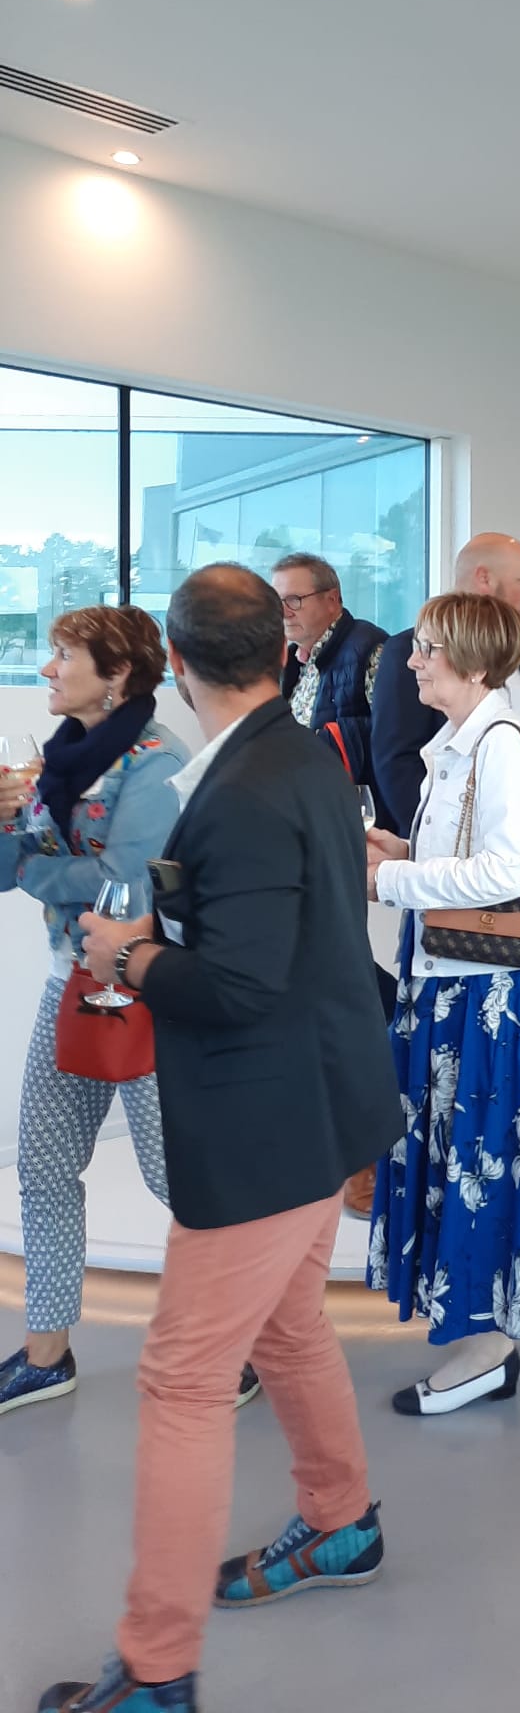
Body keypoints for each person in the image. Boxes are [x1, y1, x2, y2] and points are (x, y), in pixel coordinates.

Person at [44, 565, 402, 1713]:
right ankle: (341, 1522)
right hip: (323, 1100)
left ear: (180, 662)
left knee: (184, 1377)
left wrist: (128, 954)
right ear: (281, 648)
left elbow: (239, 987)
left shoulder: (245, 785)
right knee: (289, 1327)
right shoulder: (299, 752)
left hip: (268, 1122)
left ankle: (157, 1669)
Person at [364, 592, 520, 1414]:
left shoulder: (498, 743)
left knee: (480, 1157)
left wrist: (391, 877)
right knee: (468, 1155)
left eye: (426, 649)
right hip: (460, 983)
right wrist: (402, 849)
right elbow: (477, 855)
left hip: (484, 993)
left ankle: (489, 1347)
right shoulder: (472, 740)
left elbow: (503, 872)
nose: (413, 661)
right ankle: (481, 1334)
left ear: (466, 659)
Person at [0, 609, 194, 1419]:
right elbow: (8, 868)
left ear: (116, 675)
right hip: (69, 983)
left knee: (177, 1179)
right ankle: (47, 1354)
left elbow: (129, 884)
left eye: (63, 655)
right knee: (43, 1167)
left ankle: (241, 1344)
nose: (47, 669)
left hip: (142, 989)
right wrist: (5, 821)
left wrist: (35, 863)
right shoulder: (55, 761)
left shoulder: (157, 761)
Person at [370, 531, 520, 836]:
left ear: (478, 669)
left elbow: (503, 860)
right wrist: (418, 843)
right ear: (484, 578)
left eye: (428, 648)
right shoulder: (458, 731)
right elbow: (397, 762)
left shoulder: (502, 736)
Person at [271, 552, 386, 782]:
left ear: (332, 600)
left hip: (350, 797)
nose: (284, 612)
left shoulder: (371, 650)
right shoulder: (292, 659)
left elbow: (391, 734)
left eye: (294, 600)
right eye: (276, 602)